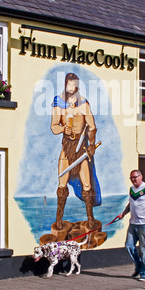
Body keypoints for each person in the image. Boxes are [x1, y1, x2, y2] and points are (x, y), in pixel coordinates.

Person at [51, 72, 101, 230]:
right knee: (62, 183)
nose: (72, 88)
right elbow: (54, 127)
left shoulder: (84, 104)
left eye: (75, 85)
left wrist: (91, 144)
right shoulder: (58, 104)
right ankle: (59, 219)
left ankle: (90, 218)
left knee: (87, 184)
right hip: (67, 147)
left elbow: (92, 127)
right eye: (69, 85)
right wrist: (62, 129)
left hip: (81, 148)